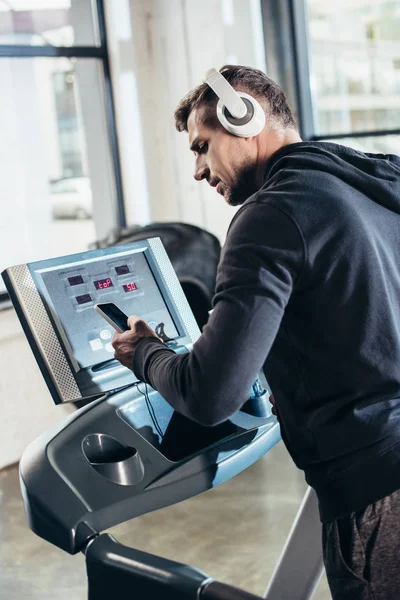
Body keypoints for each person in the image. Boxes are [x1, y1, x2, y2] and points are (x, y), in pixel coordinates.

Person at [112, 65, 400, 600]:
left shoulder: (271, 213)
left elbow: (210, 394)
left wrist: (146, 354)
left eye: (202, 146)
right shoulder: (375, 186)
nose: (198, 169)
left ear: (242, 117)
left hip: (378, 491)